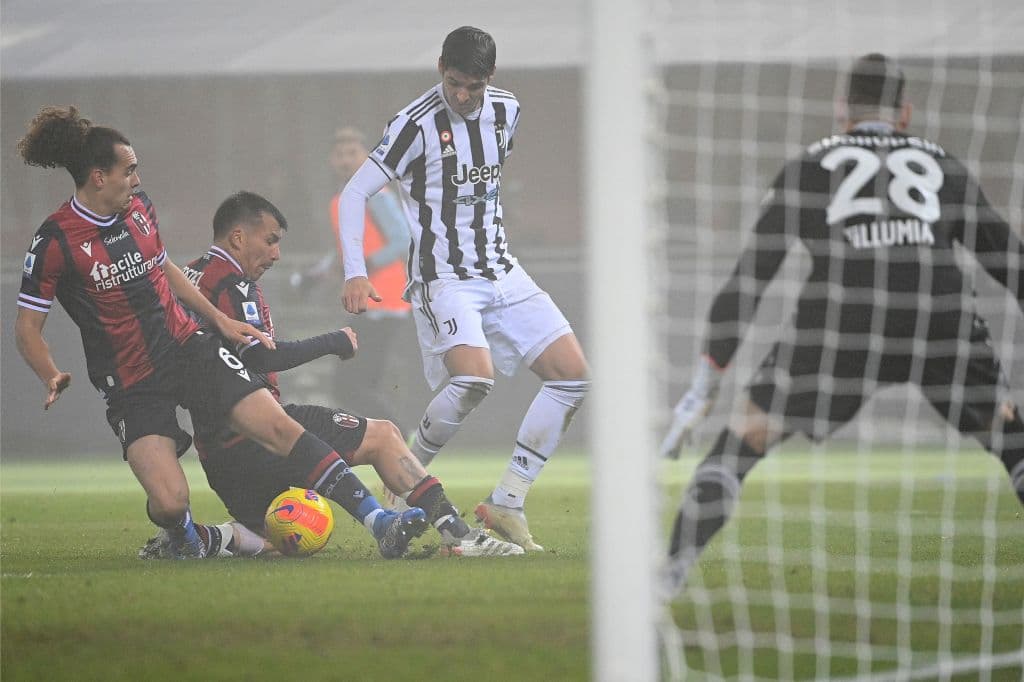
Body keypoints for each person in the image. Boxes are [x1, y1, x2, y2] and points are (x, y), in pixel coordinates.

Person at [659, 54, 1024, 597]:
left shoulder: (810, 166)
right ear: (905, 112)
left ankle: (668, 577)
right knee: (1009, 435)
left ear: (841, 109)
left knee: (745, 439)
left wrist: (705, 384)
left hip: (841, 319)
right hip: (939, 315)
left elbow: (750, 280)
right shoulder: (942, 165)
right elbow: (1010, 262)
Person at [14, 106, 427, 561]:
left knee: (278, 425)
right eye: (128, 171)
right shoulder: (55, 241)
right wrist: (49, 372)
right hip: (132, 381)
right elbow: (27, 327)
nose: (137, 179)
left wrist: (219, 320)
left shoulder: (140, 210)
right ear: (98, 177)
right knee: (170, 501)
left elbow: (163, 267)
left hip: (186, 346)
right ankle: (186, 536)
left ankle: (379, 521)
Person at [141, 190, 522, 558]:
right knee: (384, 437)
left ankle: (202, 538)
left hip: (219, 458)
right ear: (238, 237)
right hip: (259, 434)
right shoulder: (231, 283)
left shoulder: (189, 276)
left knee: (274, 540)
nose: (276, 254)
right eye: (270, 240)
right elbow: (261, 357)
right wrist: (333, 341)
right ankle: (459, 535)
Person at [339, 26, 591, 552]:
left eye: (472, 86)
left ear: (489, 78)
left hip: (502, 269)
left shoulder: (506, 110)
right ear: (440, 68)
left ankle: (508, 501)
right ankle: (403, 474)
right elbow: (355, 193)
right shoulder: (413, 125)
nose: (461, 95)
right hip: (445, 276)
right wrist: (355, 270)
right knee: (475, 379)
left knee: (572, 377)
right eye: (453, 82)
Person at [290, 126, 413, 421]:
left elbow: (402, 238)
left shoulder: (375, 194)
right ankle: (393, 437)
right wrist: (312, 277)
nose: (345, 160)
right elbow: (343, 252)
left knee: (349, 386)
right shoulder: (342, 200)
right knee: (357, 385)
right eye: (340, 154)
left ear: (366, 157)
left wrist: (365, 265)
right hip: (366, 303)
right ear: (331, 160)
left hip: (383, 301)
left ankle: (400, 436)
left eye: (352, 153)